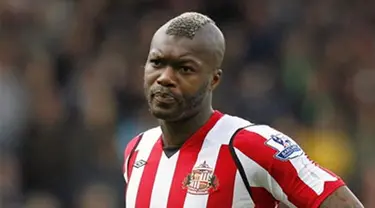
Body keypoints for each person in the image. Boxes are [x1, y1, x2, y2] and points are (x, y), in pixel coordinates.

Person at [123, 12, 364, 208]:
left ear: (213, 80)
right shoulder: (136, 150)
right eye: (157, 62)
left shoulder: (251, 146)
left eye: (185, 68)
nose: (165, 78)